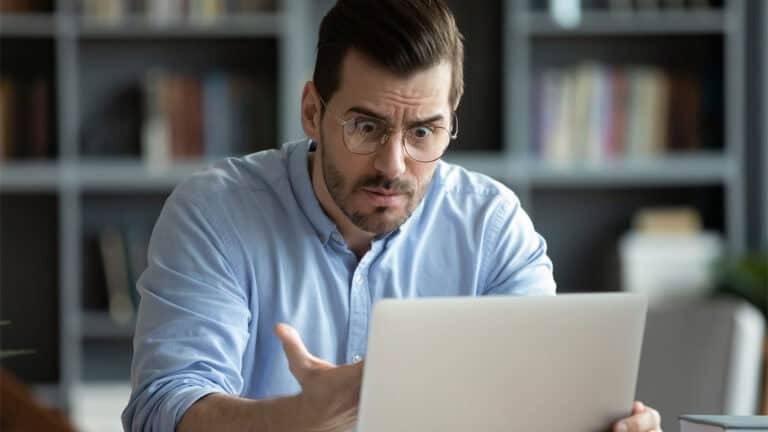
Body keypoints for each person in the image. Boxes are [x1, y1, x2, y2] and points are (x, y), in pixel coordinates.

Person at [122, 1, 663, 431]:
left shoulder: (492, 227)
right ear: (313, 111)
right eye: (366, 126)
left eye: (423, 131)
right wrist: (295, 421)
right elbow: (162, 409)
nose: (392, 164)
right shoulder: (215, 214)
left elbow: (540, 405)